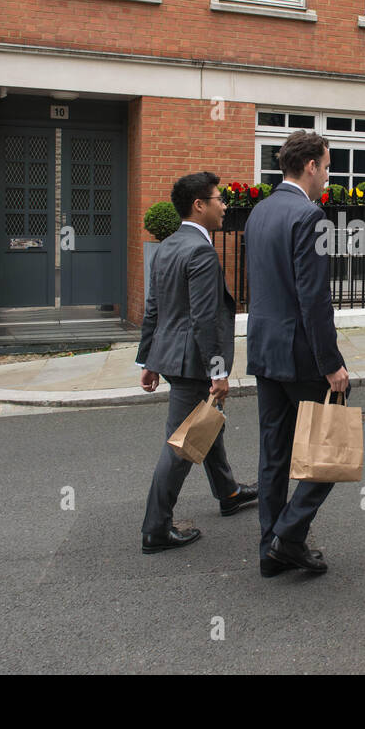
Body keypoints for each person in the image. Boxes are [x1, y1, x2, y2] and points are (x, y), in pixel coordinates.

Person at [245, 130, 349, 577]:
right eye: (326, 166)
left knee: (275, 453)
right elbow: (314, 298)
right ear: (310, 166)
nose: (327, 175)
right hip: (302, 354)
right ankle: (287, 539)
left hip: (264, 348)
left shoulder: (259, 211)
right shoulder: (310, 216)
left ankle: (273, 545)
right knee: (331, 450)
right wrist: (332, 364)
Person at [136, 171, 257, 553]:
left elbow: (154, 307)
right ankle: (156, 528)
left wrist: (148, 360)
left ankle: (229, 492)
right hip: (193, 361)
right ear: (199, 205)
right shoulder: (201, 250)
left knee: (206, 425)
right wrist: (219, 371)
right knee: (182, 444)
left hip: (171, 356)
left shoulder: (168, 245)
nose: (225, 205)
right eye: (219, 199)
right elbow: (205, 318)